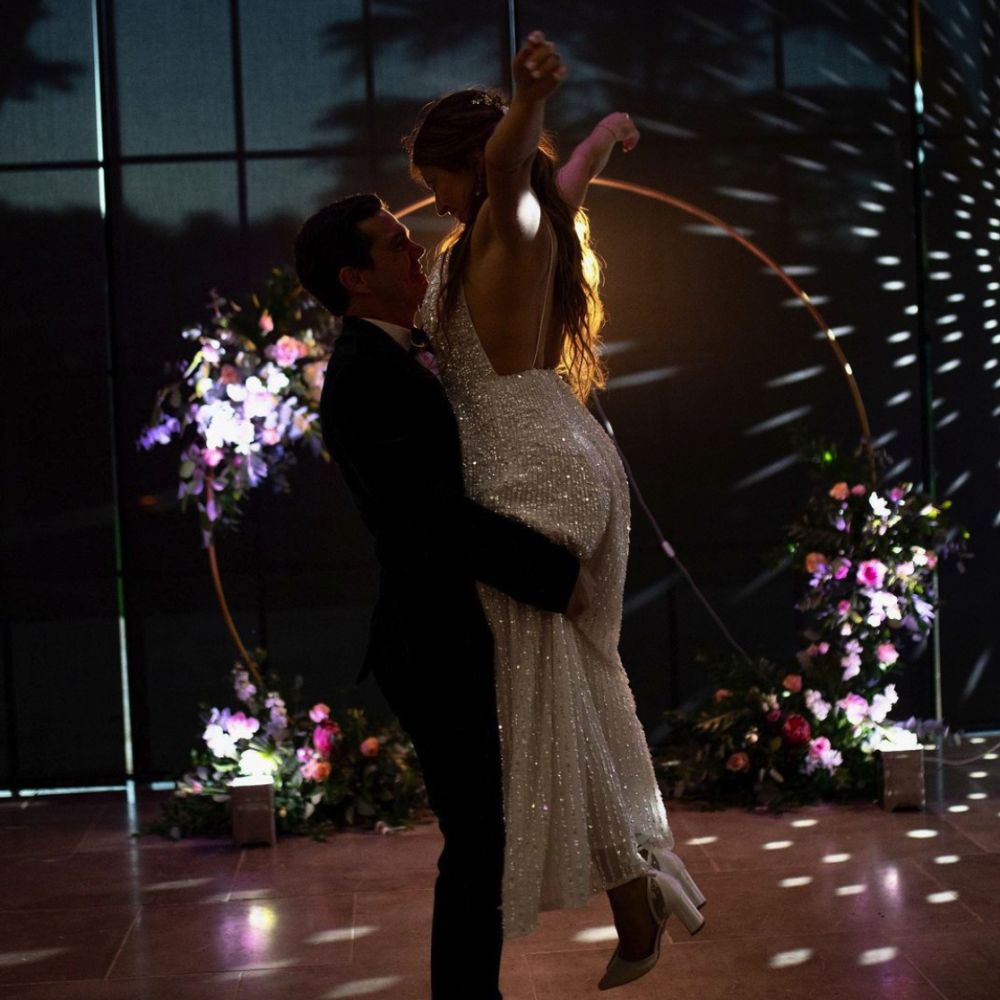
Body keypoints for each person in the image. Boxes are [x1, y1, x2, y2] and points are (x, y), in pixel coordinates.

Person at [405, 32, 706, 990]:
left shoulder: (506, 221)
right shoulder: (525, 226)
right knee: (564, 681)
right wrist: (602, 137)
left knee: (545, 686)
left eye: (437, 182)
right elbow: (557, 180)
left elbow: (511, 169)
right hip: (556, 452)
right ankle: (639, 887)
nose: (435, 202)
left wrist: (528, 101)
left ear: (471, 166)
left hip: (527, 468)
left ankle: (639, 897)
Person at [294, 193, 592, 1000]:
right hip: (431, 641)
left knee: (487, 834)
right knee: (477, 838)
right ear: (356, 279)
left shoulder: (412, 344)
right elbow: (432, 519)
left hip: (464, 626)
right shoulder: (361, 378)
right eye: (395, 245)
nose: (417, 250)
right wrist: (559, 576)